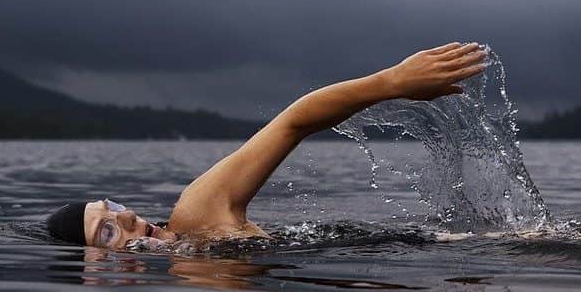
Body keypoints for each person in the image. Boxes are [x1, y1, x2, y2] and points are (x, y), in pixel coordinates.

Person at [46, 42, 488, 248]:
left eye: (113, 207)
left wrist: (391, 82)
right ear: (96, 270)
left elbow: (292, 123)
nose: (126, 217)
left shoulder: (197, 214)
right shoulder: (192, 288)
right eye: (106, 231)